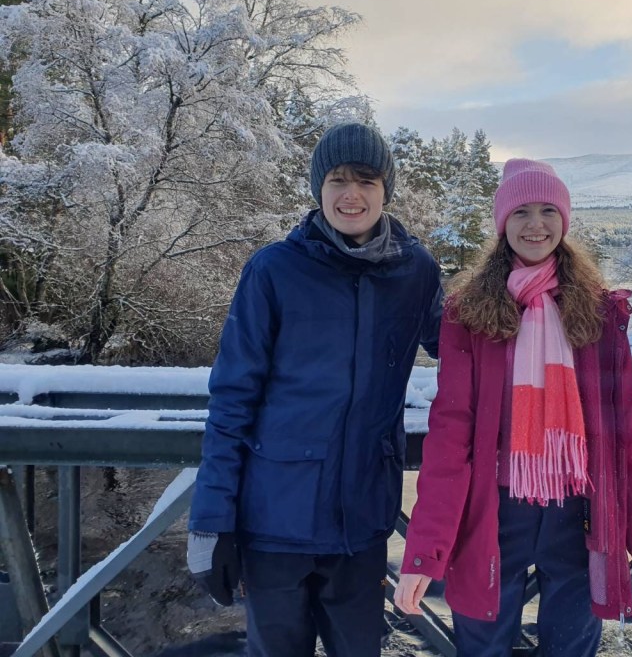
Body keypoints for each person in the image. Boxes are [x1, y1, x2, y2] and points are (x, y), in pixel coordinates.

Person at [394, 159, 632, 656]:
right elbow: (450, 435)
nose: (536, 224)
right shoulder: (469, 313)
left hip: (580, 516)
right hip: (492, 514)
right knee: (482, 648)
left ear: (565, 220)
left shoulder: (598, 311)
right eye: (522, 212)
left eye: (548, 210)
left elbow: (623, 437)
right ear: (502, 224)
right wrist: (423, 555)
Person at [186, 122, 443, 657]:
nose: (352, 194)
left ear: (386, 190)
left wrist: (546, 295)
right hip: (275, 522)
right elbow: (232, 400)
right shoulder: (274, 271)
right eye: (337, 179)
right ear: (317, 189)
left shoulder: (414, 271)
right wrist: (211, 521)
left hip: (364, 522)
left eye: (367, 180)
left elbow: (469, 349)